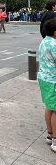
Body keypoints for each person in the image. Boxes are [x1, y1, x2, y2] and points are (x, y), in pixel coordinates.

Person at [37, 18, 56, 152]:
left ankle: (50, 135)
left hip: (43, 78)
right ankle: (55, 140)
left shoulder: (44, 42)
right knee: (55, 109)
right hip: (52, 79)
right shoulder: (54, 44)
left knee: (49, 107)